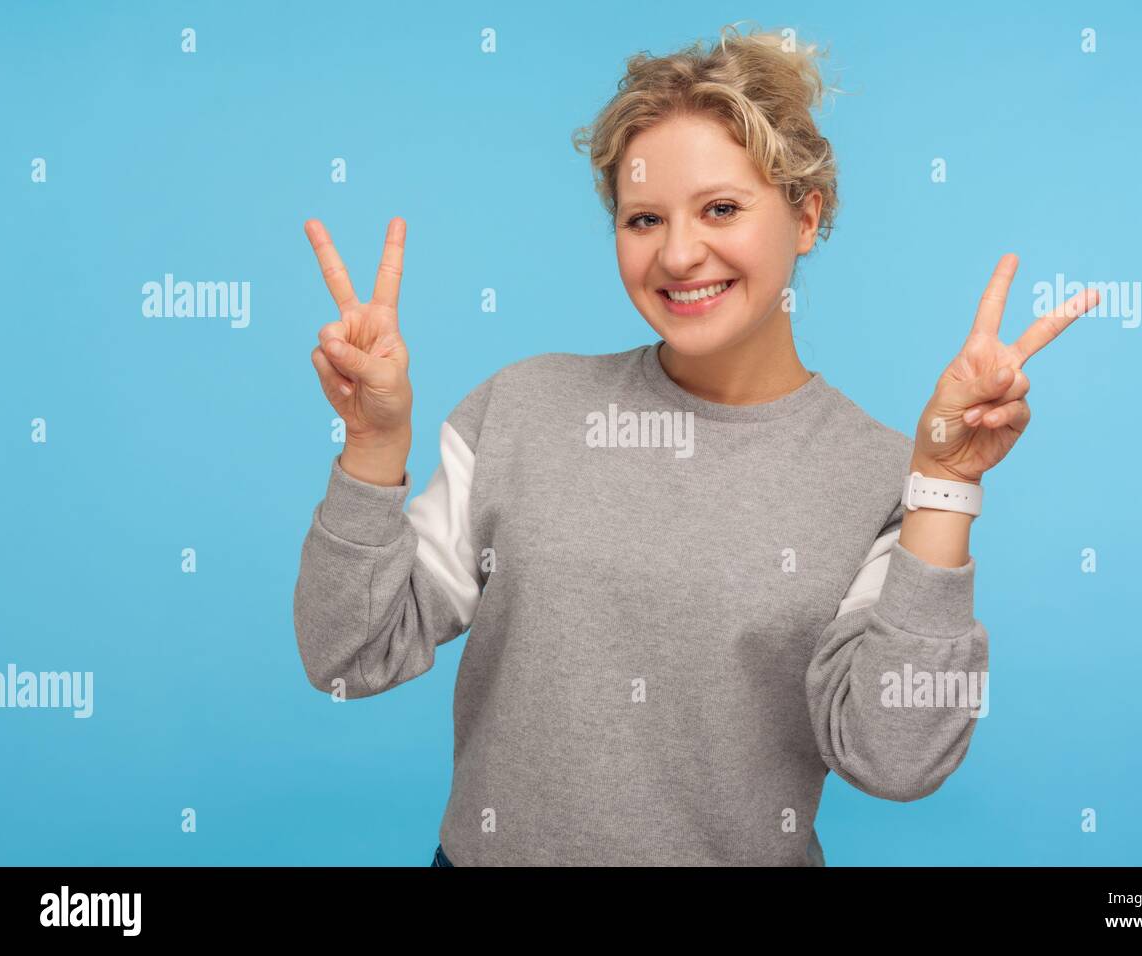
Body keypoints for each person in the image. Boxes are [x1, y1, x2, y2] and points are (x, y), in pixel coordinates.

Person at [293, 23, 1097, 867]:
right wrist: (373, 445)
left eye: (721, 208)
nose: (679, 254)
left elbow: (897, 759)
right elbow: (348, 651)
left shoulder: (883, 477)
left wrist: (945, 481)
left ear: (807, 214)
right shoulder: (522, 408)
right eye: (644, 218)